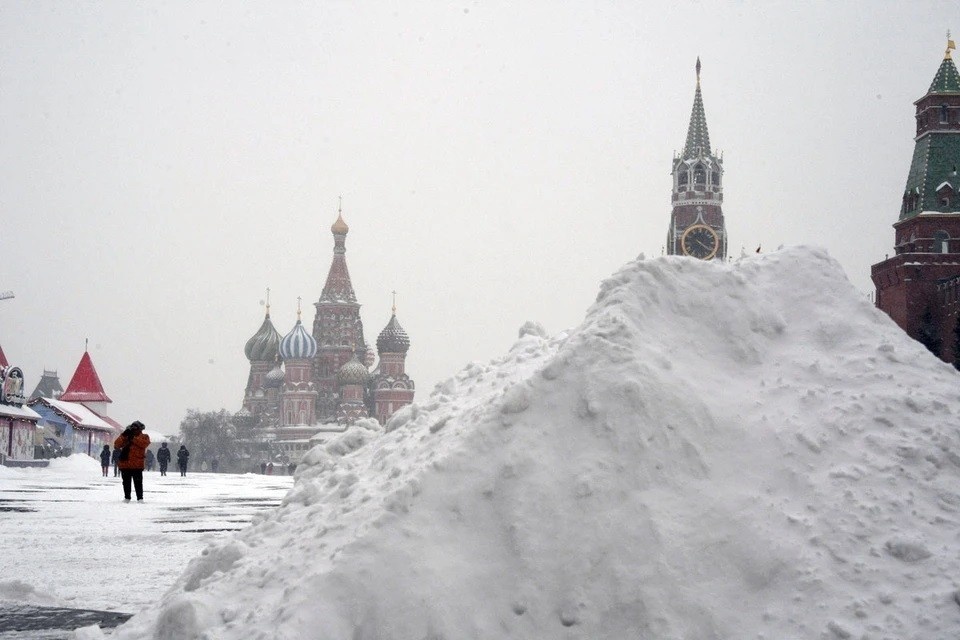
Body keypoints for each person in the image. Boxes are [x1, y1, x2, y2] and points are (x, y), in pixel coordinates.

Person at [114, 421, 151, 502]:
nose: (134, 430)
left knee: (138, 483)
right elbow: (116, 445)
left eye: (136, 428)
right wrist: (123, 435)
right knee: (126, 483)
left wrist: (133, 438)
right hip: (125, 463)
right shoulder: (126, 436)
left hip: (137, 464)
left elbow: (144, 444)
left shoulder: (144, 436)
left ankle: (140, 498)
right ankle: (127, 497)